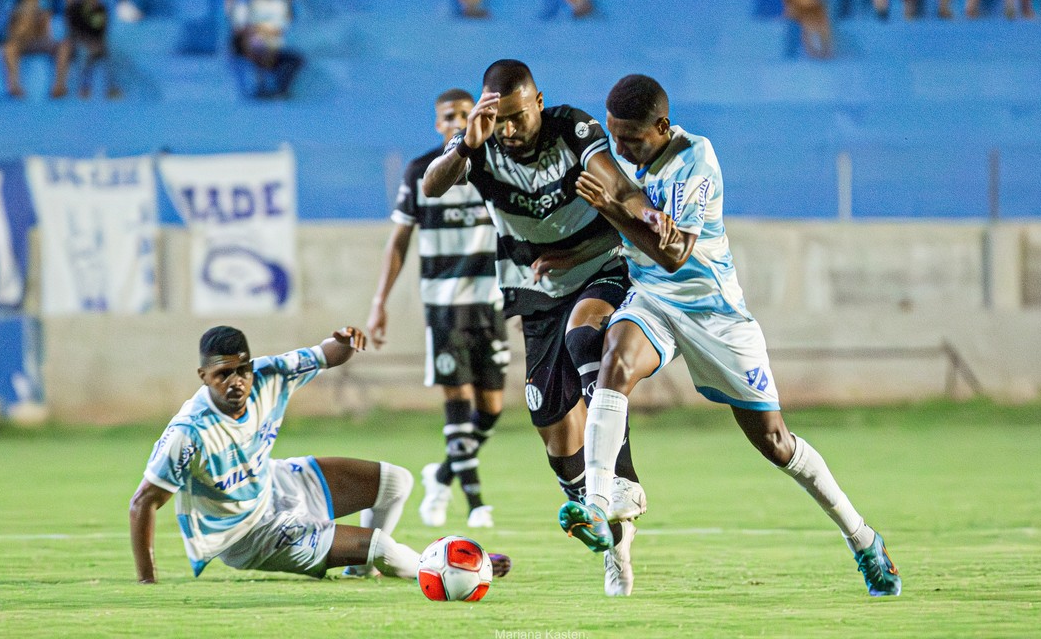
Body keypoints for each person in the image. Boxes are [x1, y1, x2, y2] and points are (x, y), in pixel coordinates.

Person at [557, 74, 902, 599]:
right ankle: (600, 506)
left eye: (631, 139)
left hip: (716, 316)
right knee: (614, 359)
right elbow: (636, 228)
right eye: (614, 135)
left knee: (776, 443)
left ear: (662, 127)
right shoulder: (617, 158)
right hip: (655, 301)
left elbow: (672, 254)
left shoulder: (698, 160)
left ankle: (863, 540)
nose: (621, 148)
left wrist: (614, 209)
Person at [422, 59, 658, 597]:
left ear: (539, 102)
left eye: (517, 117)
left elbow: (619, 191)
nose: (508, 129)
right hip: (537, 292)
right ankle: (610, 536)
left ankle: (621, 484)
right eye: (498, 118)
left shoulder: (573, 130)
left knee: (587, 335)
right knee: (550, 422)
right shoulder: (478, 143)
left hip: (602, 267)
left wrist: (648, 225)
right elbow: (434, 186)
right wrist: (464, 145)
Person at [128, 324, 512, 582]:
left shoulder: (269, 374)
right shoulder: (189, 432)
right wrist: (147, 581)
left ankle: (359, 571)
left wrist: (345, 341)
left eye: (241, 370)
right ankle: (456, 569)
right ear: (203, 376)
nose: (236, 381)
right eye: (222, 374)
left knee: (397, 481)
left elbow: (326, 353)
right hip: (247, 532)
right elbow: (143, 501)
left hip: (275, 482)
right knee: (378, 545)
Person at [367, 89, 509, 530]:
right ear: (437, 123)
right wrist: (379, 303)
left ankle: (441, 474)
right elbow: (399, 241)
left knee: (491, 408)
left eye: (466, 114)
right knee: (457, 398)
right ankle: (475, 503)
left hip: (491, 303)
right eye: (450, 116)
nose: (458, 121)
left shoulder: (495, 167)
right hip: (445, 306)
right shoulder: (420, 172)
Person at [233, 0, 303, 97]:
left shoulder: (277, 4)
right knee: (259, 47)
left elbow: (281, 29)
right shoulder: (245, 5)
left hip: (269, 45)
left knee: (295, 59)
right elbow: (241, 31)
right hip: (250, 46)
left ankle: (281, 90)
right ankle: (261, 86)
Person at [2, 0, 71, 98]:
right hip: (23, 43)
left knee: (64, 46)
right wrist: (25, 25)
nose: (32, 4)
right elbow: (12, 37)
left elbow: (48, 36)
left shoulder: (43, 11)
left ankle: (59, 85)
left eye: (35, 0)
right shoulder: (16, 12)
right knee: (9, 48)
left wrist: (41, 21)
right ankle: (14, 85)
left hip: (40, 41)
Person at [65, 0, 120, 99]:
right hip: (79, 42)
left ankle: (112, 87)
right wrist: (88, 42)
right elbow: (73, 31)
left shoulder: (102, 9)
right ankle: (83, 88)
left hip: (97, 43)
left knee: (112, 52)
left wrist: (98, 44)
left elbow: (102, 31)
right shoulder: (75, 8)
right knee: (83, 53)